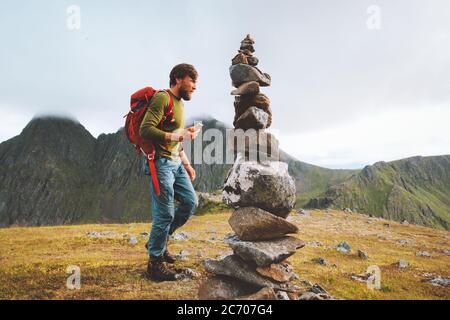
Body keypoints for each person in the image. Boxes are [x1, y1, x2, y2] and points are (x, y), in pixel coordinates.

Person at [140, 63, 200, 281]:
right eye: (192, 81)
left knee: (191, 202)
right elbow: (145, 129)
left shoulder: (179, 105)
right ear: (178, 79)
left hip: (175, 162)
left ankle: (160, 241)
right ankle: (154, 264)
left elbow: (176, 138)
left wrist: (187, 164)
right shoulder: (162, 98)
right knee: (164, 214)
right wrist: (177, 136)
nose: (194, 86)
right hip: (160, 163)